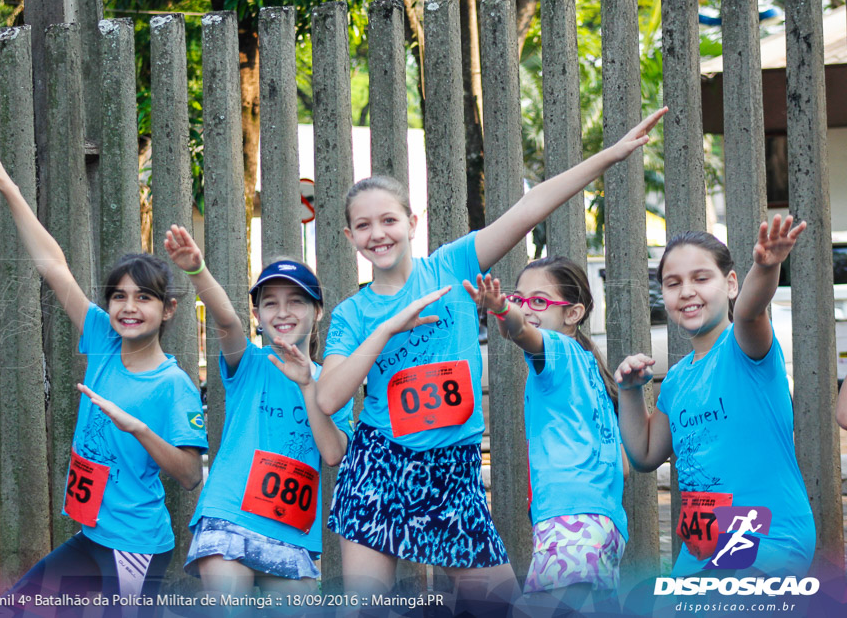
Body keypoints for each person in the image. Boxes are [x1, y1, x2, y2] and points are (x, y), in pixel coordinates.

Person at [316, 106, 667, 603]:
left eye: (389, 220)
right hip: (378, 467)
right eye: (364, 225)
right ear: (350, 237)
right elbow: (329, 397)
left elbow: (530, 209)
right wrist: (389, 327)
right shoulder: (353, 315)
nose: (379, 234)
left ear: (412, 223)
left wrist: (610, 155)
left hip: (453, 469)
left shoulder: (452, 265)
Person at [0, 127, 207, 601]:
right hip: (92, 536)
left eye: (143, 298)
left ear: (168, 310)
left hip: (133, 548)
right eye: (119, 296)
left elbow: (189, 475)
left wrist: (138, 429)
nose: (128, 307)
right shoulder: (102, 338)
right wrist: (8, 188)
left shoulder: (174, 386)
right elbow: (54, 266)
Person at [616, 217, 816, 576]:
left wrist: (766, 266)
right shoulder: (676, 380)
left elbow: (750, 312)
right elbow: (645, 454)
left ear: (731, 284)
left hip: (767, 539)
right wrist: (629, 391)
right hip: (702, 549)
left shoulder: (744, 348)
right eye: (673, 283)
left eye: (701, 278)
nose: (687, 291)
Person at [164, 226, 354, 596]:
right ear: (257, 314)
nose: (283, 312)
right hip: (230, 517)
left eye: (296, 301)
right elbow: (226, 322)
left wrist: (307, 384)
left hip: (291, 534)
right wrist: (197, 270)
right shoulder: (248, 363)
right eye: (270, 303)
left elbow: (333, 453)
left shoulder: (333, 383)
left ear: (317, 311)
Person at [465, 256, 626, 612]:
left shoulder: (561, 353)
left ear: (573, 314)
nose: (526, 308)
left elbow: (523, 332)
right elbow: (624, 465)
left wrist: (505, 310)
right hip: (604, 525)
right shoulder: (592, 369)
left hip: (570, 523)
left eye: (539, 301)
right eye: (520, 298)